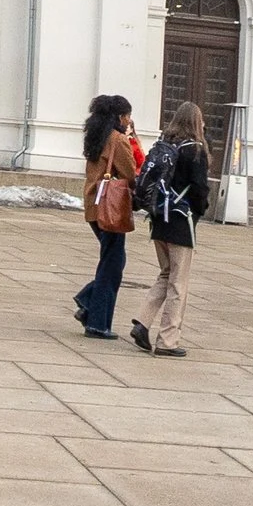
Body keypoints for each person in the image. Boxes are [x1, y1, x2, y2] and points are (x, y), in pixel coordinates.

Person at [131, 101, 211, 358]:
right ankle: (167, 340)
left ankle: (142, 322)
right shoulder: (195, 151)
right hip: (181, 222)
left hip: (159, 221)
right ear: (197, 122)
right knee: (179, 282)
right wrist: (202, 208)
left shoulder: (164, 144)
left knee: (166, 274)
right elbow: (200, 190)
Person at [74, 94, 137, 340]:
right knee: (112, 264)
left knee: (113, 260)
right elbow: (130, 173)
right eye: (128, 116)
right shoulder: (117, 139)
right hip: (111, 208)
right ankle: (98, 322)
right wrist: (131, 142)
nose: (129, 121)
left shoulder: (96, 135)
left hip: (94, 204)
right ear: (120, 117)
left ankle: (89, 303)